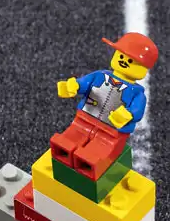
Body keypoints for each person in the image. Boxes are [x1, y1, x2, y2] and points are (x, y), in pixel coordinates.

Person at [51, 33, 159, 179]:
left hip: (112, 133)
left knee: (94, 155)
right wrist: (73, 86)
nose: (124, 61)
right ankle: (64, 152)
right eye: (121, 56)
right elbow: (83, 84)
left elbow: (137, 110)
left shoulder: (136, 93)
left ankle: (87, 165)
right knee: (68, 141)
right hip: (82, 121)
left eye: (130, 61)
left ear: (144, 69)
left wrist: (128, 114)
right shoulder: (99, 76)